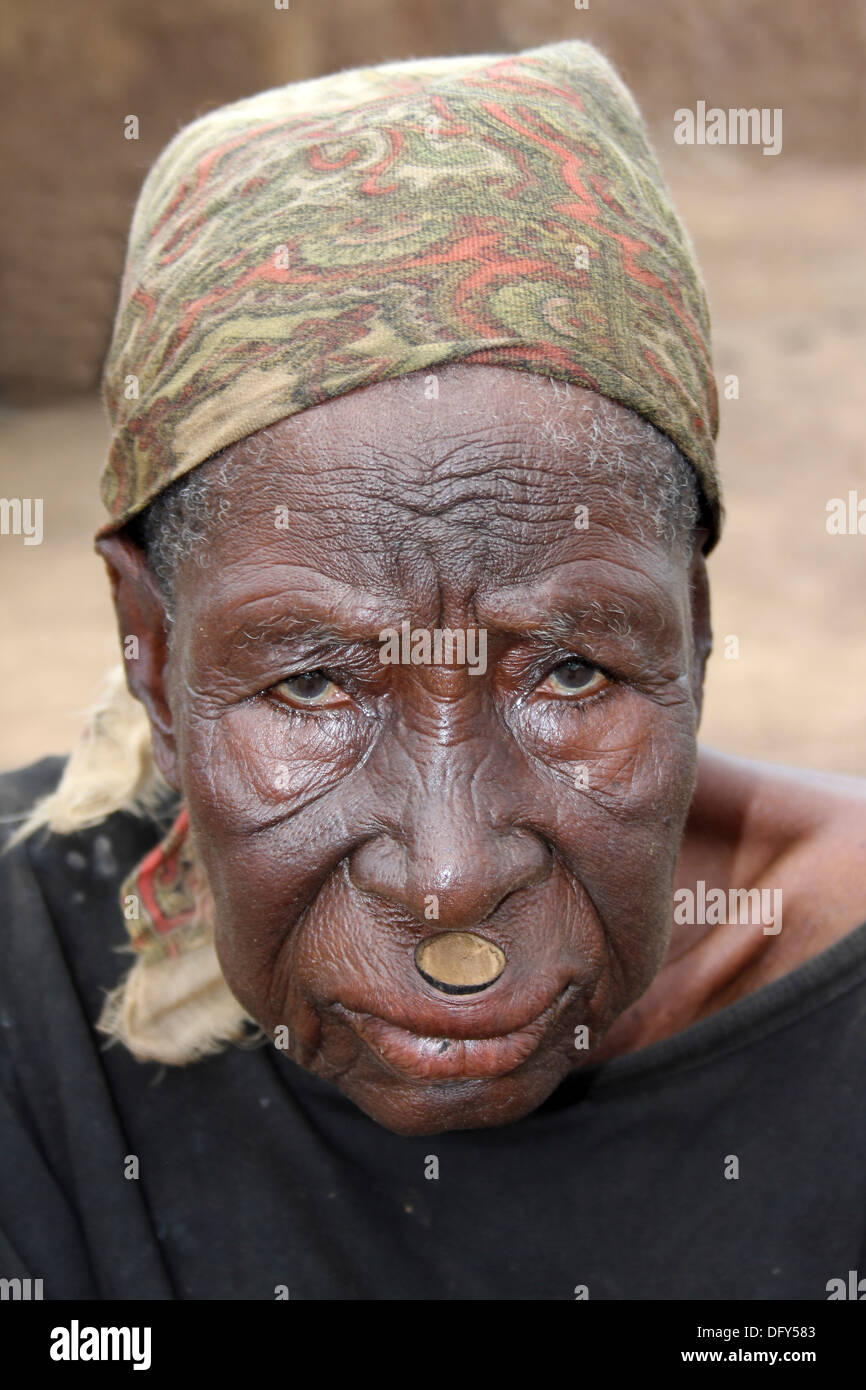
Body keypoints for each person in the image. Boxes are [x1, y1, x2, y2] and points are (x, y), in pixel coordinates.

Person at [2, 39, 864, 1302]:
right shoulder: (29, 983)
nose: (451, 881)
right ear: (151, 649)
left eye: (570, 672)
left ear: (688, 622)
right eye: (311, 686)